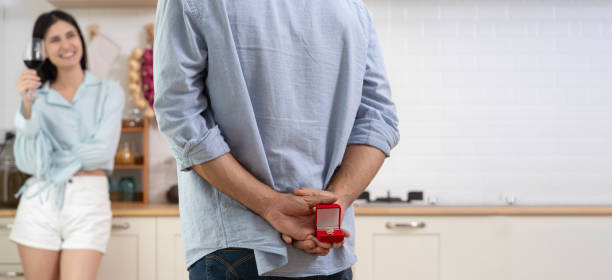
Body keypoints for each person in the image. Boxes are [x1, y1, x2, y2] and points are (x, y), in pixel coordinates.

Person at [154, 0, 399, 279]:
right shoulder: (351, 6)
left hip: (236, 244)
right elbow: (379, 119)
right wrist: (335, 203)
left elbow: (180, 115)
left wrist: (271, 205)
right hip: (324, 242)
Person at [9, 10, 125, 280]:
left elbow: (102, 152)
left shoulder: (109, 92)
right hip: (40, 201)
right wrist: (27, 104)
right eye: (55, 40)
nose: (66, 45)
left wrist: (51, 159)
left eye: (70, 35)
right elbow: (29, 163)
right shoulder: (36, 96)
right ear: (43, 50)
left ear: (81, 40)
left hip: (88, 202)